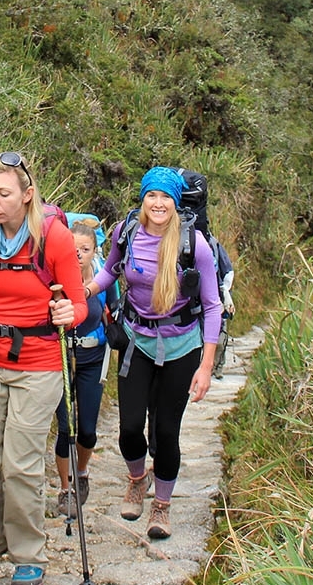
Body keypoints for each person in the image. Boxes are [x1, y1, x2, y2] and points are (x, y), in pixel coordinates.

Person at [0, 152, 87, 585]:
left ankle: (28, 554)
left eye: (3, 194)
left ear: (27, 195)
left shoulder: (54, 238)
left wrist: (69, 312)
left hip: (38, 363)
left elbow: (77, 302)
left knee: (19, 464)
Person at [84, 166, 221, 539]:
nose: (158, 203)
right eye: (151, 196)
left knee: (166, 431)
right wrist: (86, 290)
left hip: (182, 345)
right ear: (143, 199)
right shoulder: (126, 232)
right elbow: (110, 272)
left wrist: (206, 365)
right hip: (136, 340)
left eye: (165, 197)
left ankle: (161, 506)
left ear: (175, 203)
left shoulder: (195, 245)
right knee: (129, 427)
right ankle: (136, 479)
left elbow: (212, 306)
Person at [54, 219, 116, 516]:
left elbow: (114, 313)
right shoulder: (54, 278)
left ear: (95, 251)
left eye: (85, 249)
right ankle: (65, 488)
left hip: (93, 357)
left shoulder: (104, 280)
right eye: (73, 247)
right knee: (66, 427)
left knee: (88, 431)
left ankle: (81, 472)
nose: (78, 254)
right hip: (60, 358)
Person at [211, 239, 235, 379]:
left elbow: (227, 272)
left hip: (217, 296)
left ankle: (218, 367)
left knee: (220, 337)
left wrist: (224, 293)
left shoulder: (214, 244)